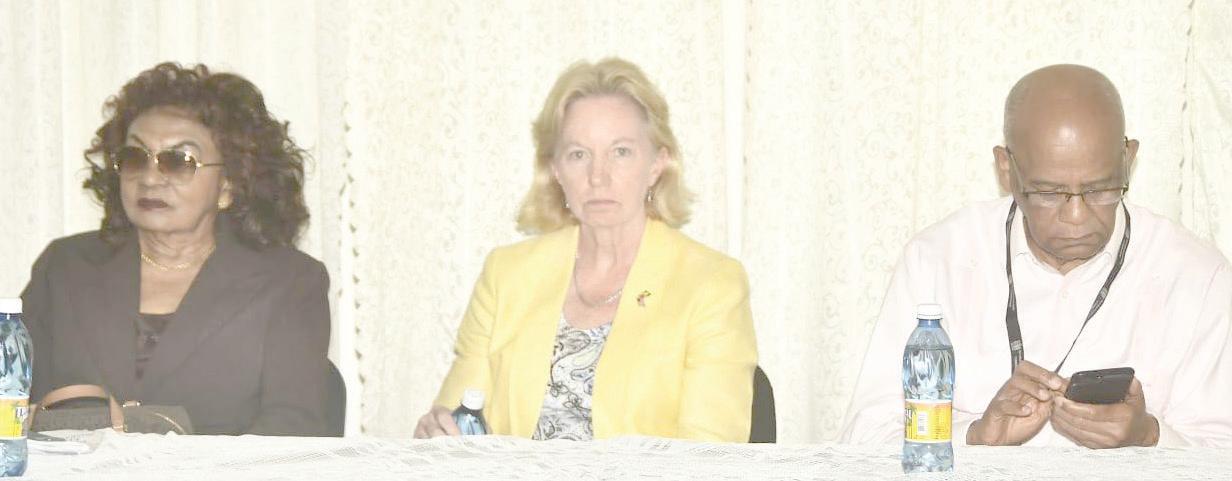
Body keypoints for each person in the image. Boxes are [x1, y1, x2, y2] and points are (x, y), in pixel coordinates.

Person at [842, 64, 1232, 448]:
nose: (1076, 216)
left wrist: (1150, 437)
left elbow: (1222, 449)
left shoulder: (1196, 276)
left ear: (1127, 160)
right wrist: (974, 438)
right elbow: (866, 441)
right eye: (1048, 194)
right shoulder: (937, 261)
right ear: (1006, 169)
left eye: (1100, 190)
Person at [413, 58, 758, 442]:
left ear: (657, 164)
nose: (598, 176)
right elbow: (460, 422)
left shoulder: (711, 284)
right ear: (556, 170)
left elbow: (710, 454)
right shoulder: (506, 275)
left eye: (621, 152)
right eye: (578, 154)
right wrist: (440, 434)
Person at [21, 62, 334, 436]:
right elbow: (10, 400)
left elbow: (293, 428)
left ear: (229, 184)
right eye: (135, 158)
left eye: (178, 162)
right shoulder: (66, 267)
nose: (150, 178)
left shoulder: (289, 282)